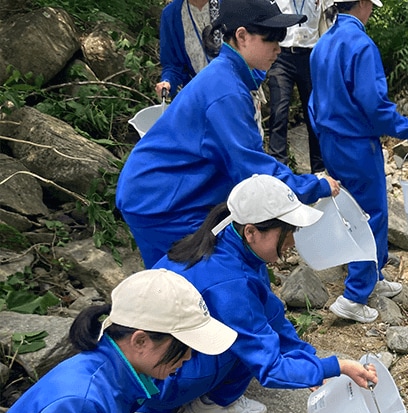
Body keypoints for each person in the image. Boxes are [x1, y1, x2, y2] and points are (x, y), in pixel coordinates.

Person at [137, 174, 379, 413]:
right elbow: (269, 365)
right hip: (159, 382)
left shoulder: (228, 239)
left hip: (159, 360)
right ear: (252, 231)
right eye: (286, 231)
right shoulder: (231, 283)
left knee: (252, 333)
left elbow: (270, 314)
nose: (292, 241)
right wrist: (337, 366)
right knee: (241, 345)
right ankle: (213, 403)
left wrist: (311, 363)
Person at [117, 0, 340, 269]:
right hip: (162, 202)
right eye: (271, 39)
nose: (278, 49)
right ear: (242, 36)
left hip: (154, 194)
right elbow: (253, 172)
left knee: (172, 281)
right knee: (215, 273)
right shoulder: (225, 92)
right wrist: (314, 186)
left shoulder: (230, 76)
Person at [0, 269, 237, 413]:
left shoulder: (116, 366)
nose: (187, 357)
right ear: (140, 340)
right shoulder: (77, 405)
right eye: (183, 346)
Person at [309, 0, 408, 323]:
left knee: (348, 209)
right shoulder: (361, 45)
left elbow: (312, 102)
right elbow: (375, 107)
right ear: (363, 3)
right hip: (356, 142)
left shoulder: (320, 45)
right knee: (371, 211)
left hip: (330, 139)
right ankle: (354, 295)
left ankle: (373, 274)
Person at [266, 0, 325, 174]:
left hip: (310, 56)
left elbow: (327, 22)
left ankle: (320, 169)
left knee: (314, 114)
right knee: (279, 111)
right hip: (282, 56)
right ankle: (279, 169)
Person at [154, 0, 219, 99]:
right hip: (200, 97)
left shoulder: (229, 4)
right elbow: (173, 65)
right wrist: (167, 82)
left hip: (237, 89)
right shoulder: (171, 15)